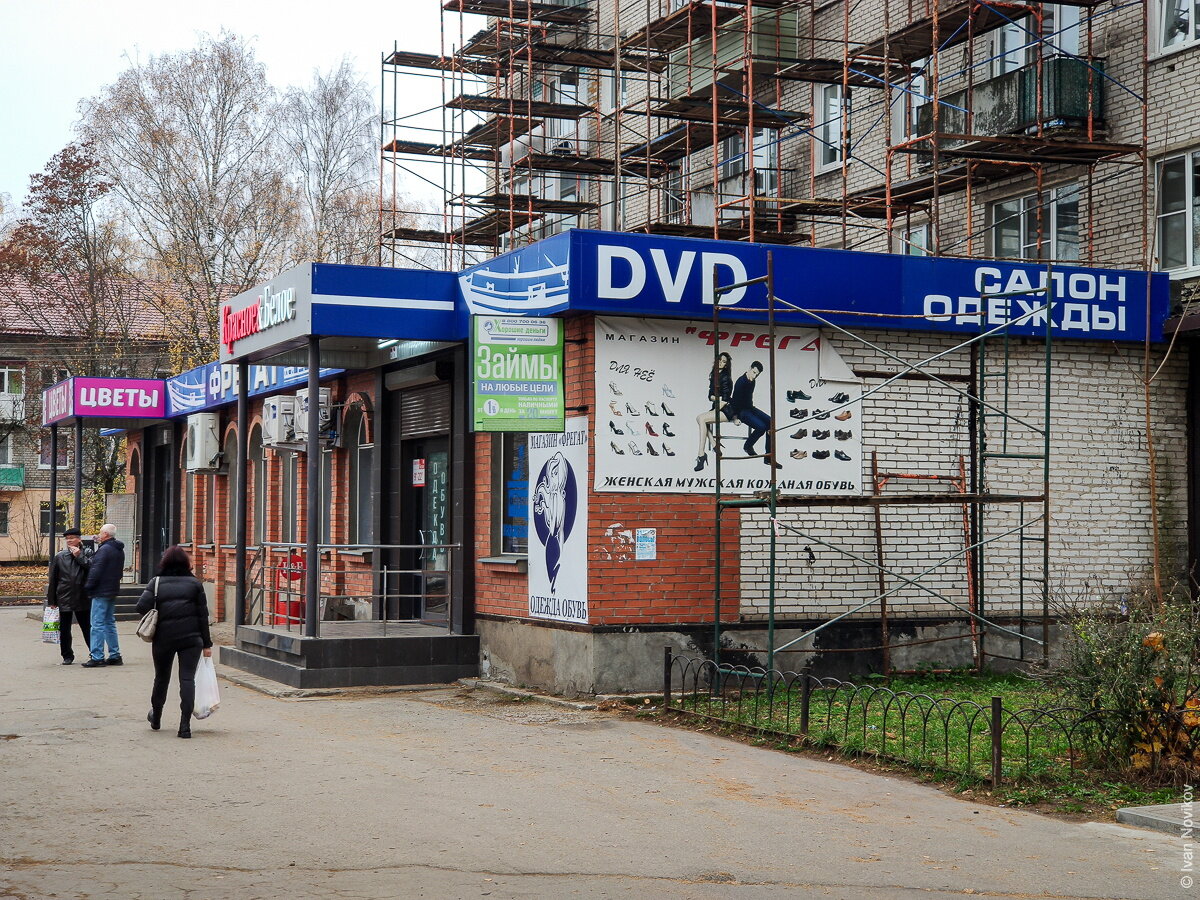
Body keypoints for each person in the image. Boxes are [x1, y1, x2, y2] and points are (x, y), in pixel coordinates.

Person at [137, 546, 213, 739]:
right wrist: (207, 644)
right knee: (187, 679)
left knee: (161, 678)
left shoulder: (156, 582)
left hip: (164, 638)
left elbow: (141, 607)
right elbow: (203, 616)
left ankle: (156, 717)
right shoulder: (195, 584)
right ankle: (184, 726)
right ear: (186, 563)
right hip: (191, 639)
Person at [46, 527, 91, 665]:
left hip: (82, 596)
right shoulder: (60, 556)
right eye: (67, 539)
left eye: (72, 538)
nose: (70, 541)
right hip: (64, 596)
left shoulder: (87, 553)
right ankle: (67, 655)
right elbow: (53, 579)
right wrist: (52, 600)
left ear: (79, 539)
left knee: (87, 627)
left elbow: (92, 568)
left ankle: (94, 652)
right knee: (64, 629)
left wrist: (79, 555)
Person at [82, 523, 125, 668]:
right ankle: (114, 655)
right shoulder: (118, 549)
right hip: (112, 589)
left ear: (106, 534)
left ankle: (97, 656)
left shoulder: (104, 550)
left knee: (97, 624)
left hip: (100, 590)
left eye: (100, 533)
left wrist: (88, 586)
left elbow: (96, 569)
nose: (99, 535)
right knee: (109, 622)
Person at [727, 361, 780, 468]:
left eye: (757, 374)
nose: (754, 376)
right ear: (749, 368)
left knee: (771, 422)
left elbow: (749, 400)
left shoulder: (753, 381)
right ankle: (748, 446)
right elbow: (735, 402)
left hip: (750, 408)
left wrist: (753, 410)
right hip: (741, 411)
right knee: (762, 427)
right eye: (754, 372)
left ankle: (768, 458)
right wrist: (735, 417)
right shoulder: (740, 382)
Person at [694, 351, 734, 472]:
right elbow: (710, 396)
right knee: (700, 419)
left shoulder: (726, 378)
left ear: (726, 365)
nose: (721, 363)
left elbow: (726, 400)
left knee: (701, 419)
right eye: (719, 360)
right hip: (717, 407)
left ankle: (701, 455)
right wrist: (717, 399)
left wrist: (718, 400)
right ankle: (714, 444)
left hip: (727, 410)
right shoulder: (714, 375)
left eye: (724, 362)